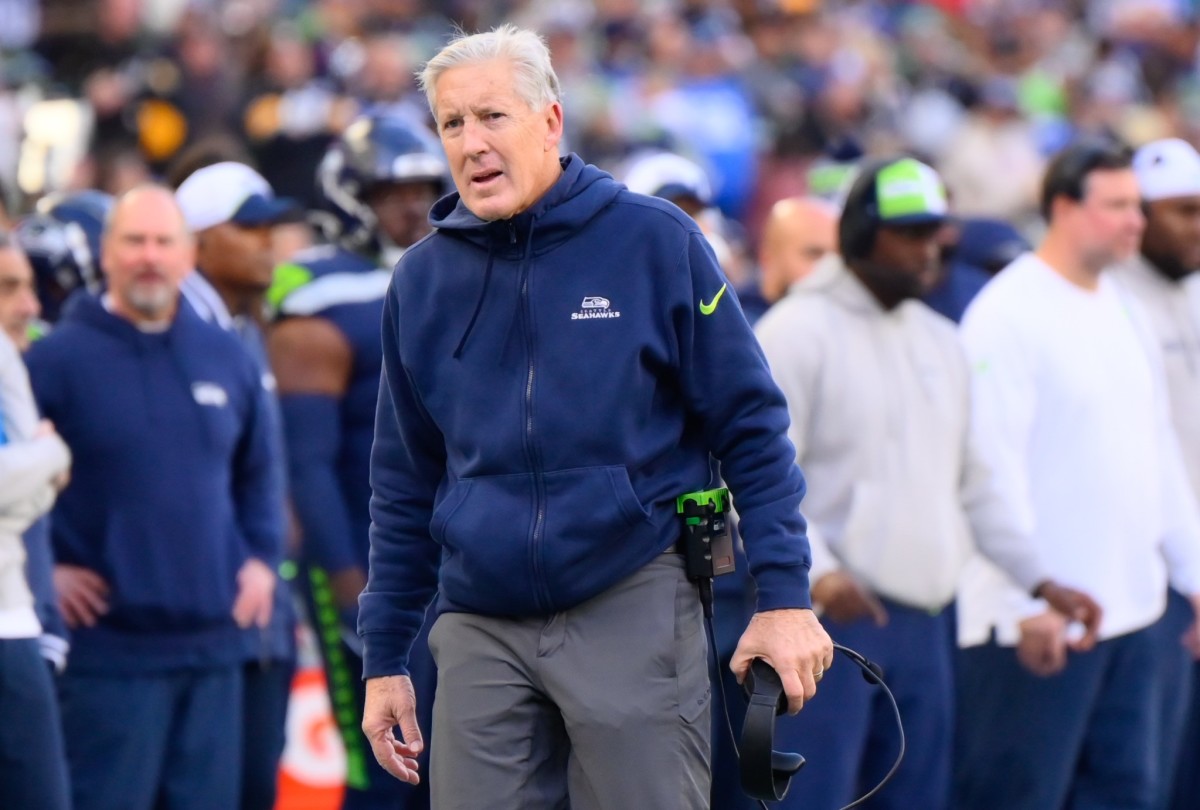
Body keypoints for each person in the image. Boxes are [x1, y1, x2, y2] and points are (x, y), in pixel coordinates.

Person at [358, 25, 833, 809]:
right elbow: (403, 481)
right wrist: (385, 657)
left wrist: (784, 598)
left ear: (550, 120)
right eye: (452, 124)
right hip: (478, 618)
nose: (471, 142)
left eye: (492, 117)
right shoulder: (420, 280)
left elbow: (751, 427)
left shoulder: (656, 242)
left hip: (632, 596)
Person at [754, 156, 1101, 810]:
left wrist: (1040, 579)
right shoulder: (796, 331)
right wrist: (819, 573)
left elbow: (976, 486)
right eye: (908, 233)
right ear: (860, 233)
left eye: (935, 233)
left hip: (928, 628)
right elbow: (758, 474)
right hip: (829, 627)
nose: (928, 251)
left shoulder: (943, 341)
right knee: (816, 799)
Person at [954, 139, 1200, 810]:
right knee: (1021, 794)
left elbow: (1156, 453)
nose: (1134, 222)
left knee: (1127, 792)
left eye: (1135, 206)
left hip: (1133, 614)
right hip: (1041, 623)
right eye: (1117, 205)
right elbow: (988, 472)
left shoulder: (1120, 307)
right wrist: (1025, 600)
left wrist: (1192, 576)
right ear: (1063, 207)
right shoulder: (1007, 314)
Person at [27, 185, 285, 810]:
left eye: (163, 242)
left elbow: (260, 474)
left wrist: (259, 559)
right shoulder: (54, 361)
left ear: (188, 254)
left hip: (215, 651)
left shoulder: (228, 356)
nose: (149, 257)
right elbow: (17, 486)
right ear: (107, 254)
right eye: (134, 241)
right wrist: (47, 573)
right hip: (107, 660)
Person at [267, 110, 447, 810]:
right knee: (373, 767)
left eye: (421, 187)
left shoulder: (447, 268)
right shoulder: (319, 292)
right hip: (360, 551)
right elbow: (307, 462)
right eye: (388, 191)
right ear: (350, 194)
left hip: (444, 558)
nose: (410, 204)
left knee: (446, 764)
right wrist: (350, 584)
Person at [175, 161, 299, 810]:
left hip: (261, 613)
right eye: (248, 227)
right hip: (201, 619)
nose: (267, 242)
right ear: (196, 241)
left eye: (271, 228)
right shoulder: (175, 333)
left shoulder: (245, 331)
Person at [1109, 137, 1200, 810]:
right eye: (1182, 212)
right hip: (1151, 571)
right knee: (1144, 770)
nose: (1195, 227)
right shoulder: (1111, 299)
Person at [0, 232, 73, 810]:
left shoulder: (9, 362)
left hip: (19, 618)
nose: (29, 305)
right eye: (8, 288)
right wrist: (50, 456)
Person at [756, 195, 838, 308]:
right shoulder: (734, 321)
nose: (830, 266)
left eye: (837, 257)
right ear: (767, 260)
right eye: (814, 254)